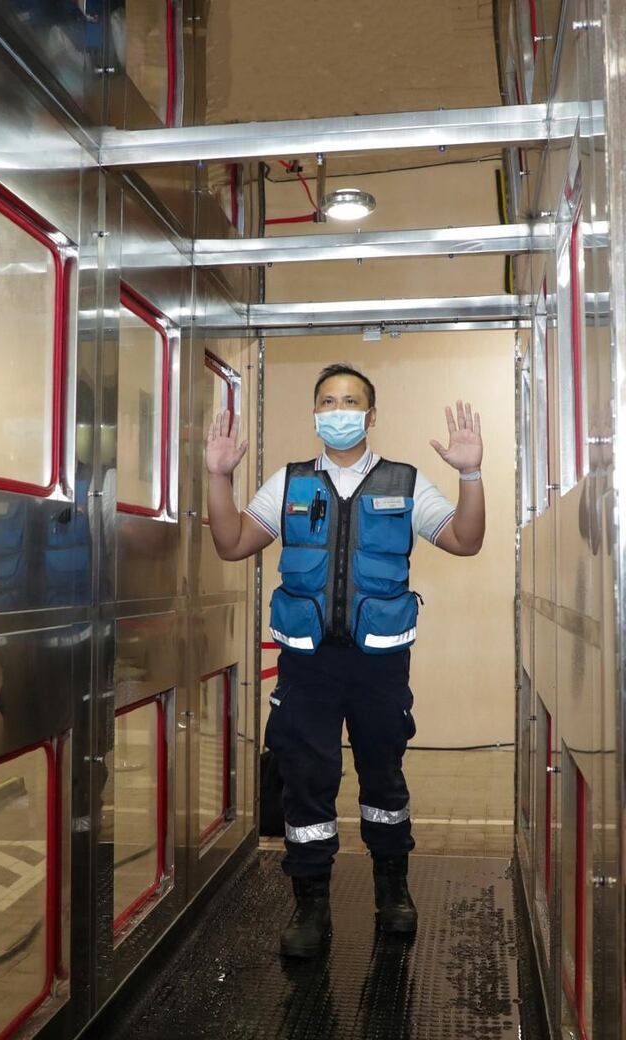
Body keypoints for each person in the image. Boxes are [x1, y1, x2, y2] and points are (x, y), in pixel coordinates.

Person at [205, 362, 485, 956]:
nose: (339, 411)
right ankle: (310, 905)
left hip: (379, 666)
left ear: (371, 414)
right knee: (306, 782)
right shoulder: (288, 483)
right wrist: (217, 478)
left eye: (350, 401)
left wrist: (471, 473)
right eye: (328, 401)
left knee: (383, 774)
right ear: (315, 414)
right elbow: (230, 544)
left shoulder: (405, 483)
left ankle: (393, 891)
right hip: (306, 666)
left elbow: (465, 539)